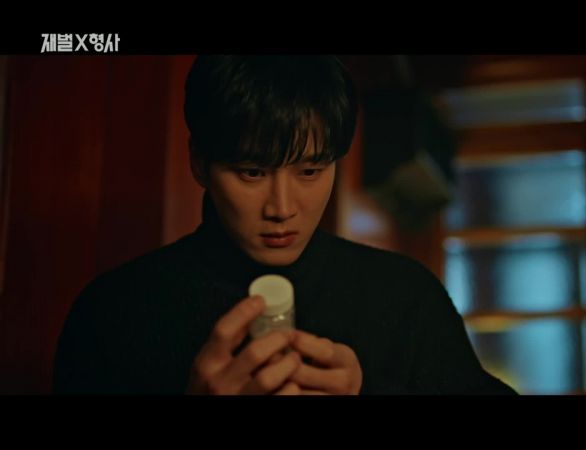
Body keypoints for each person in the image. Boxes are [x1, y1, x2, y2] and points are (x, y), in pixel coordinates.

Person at [53, 55, 516, 395]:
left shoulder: (406, 296)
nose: (282, 208)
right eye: (252, 172)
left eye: (310, 171)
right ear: (199, 162)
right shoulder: (112, 313)